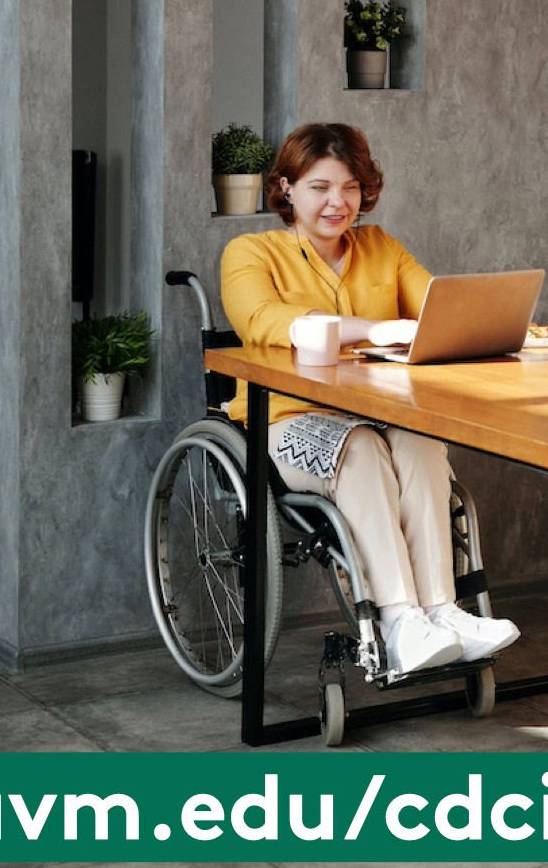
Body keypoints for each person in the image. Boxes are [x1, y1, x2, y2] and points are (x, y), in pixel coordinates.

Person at [221, 122, 518, 677]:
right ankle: (400, 620)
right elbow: (263, 321)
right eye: (320, 187)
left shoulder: (382, 248)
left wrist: (485, 322)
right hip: (288, 419)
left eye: (351, 187)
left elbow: (438, 308)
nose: (338, 202)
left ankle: (442, 612)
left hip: (382, 412)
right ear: (285, 188)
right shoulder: (250, 253)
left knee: (422, 443)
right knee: (359, 449)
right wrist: (373, 330)